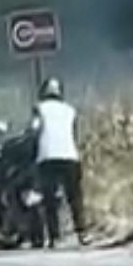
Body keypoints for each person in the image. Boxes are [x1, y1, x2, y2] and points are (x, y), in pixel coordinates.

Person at [30, 77, 89, 248]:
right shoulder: (70, 110)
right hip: (70, 155)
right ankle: (82, 232)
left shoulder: (39, 108)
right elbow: (75, 134)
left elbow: (34, 130)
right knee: (75, 197)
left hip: (47, 156)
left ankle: (55, 237)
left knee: (50, 199)